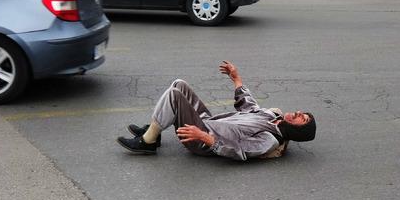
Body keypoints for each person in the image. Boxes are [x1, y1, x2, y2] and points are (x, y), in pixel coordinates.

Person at [117, 61, 317, 160]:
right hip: (208, 123)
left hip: (204, 140)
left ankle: (148, 142)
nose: (299, 113)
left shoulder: (270, 139)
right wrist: (236, 79)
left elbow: (240, 151)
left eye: (303, 118)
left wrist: (205, 138)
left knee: (174, 96)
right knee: (180, 84)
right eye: (302, 112)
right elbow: (249, 106)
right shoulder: (274, 116)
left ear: (299, 130)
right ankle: (155, 131)